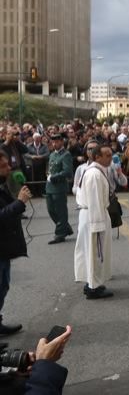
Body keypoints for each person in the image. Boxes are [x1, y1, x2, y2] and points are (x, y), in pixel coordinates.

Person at [74, 144, 115, 300]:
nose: (111, 158)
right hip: (94, 217)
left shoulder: (95, 171)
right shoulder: (94, 174)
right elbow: (95, 200)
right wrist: (98, 225)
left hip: (92, 215)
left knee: (91, 252)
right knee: (95, 252)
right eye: (107, 155)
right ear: (97, 157)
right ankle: (93, 288)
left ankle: (92, 282)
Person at [0, 151, 31, 336]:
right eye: (3, 166)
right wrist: (19, 202)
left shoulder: (3, 185)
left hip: (4, 249)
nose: (9, 167)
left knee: (3, 287)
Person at [45, 133, 73, 245]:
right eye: (53, 141)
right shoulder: (52, 154)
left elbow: (67, 172)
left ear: (62, 142)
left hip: (59, 187)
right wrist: (48, 174)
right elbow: (50, 168)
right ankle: (66, 228)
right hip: (49, 187)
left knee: (61, 212)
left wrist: (54, 177)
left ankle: (60, 234)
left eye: (56, 141)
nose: (54, 143)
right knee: (51, 210)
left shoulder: (66, 155)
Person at [25, 133, 49, 197]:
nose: (37, 140)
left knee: (41, 178)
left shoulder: (44, 146)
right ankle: (34, 193)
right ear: (33, 139)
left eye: (38, 138)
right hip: (32, 164)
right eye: (36, 138)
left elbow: (47, 153)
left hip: (41, 164)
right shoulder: (29, 146)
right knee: (33, 178)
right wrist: (32, 156)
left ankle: (42, 192)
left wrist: (41, 156)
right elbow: (26, 154)